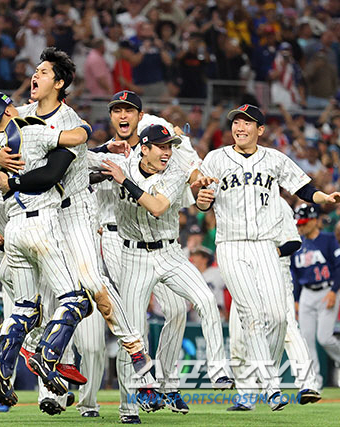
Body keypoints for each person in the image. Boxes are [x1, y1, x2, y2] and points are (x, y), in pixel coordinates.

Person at [196, 104, 340, 411]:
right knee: (250, 314)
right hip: (232, 244)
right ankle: (272, 386)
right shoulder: (216, 158)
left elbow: (303, 187)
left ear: (260, 130)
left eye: (248, 123)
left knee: (277, 317)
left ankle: (263, 376)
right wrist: (202, 200)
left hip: (265, 246)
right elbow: (202, 197)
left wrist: (324, 198)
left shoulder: (273, 158)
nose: (240, 127)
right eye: (236, 121)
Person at [102, 124, 233, 424]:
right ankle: (128, 408)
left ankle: (218, 369)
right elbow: (86, 166)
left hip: (170, 252)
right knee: (133, 336)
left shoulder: (174, 170)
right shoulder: (122, 164)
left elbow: (158, 206)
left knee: (204, 300)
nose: (167, 152)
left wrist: (125, 182)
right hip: (133, 256)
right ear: (143, 148)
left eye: (169, 146)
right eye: (161, 146)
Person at [0, 91, 96, 409]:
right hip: (42, 223)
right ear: (10, 108)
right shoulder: (32, 127)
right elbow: (79, 137)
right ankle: (48, 355)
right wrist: (82, 125)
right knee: (77, 300)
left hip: (13, 230)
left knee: (26, 308)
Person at [90, 90, 191, 416]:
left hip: (160, 244)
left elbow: (184, 184)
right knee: (133, 324)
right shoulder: (110, 153)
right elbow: (76, 168)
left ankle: (167, 384)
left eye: (128, 110)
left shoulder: (159, 153)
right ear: (112, 117)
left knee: (177, 308)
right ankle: (129, 405)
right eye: (117, 110)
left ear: (139, 117)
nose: (122, 115)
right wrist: (102, 153)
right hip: (116, 241)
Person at [228, 198, 321, 411]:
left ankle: (307, 384)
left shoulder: (278, 204)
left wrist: (267, 255)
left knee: (286, 327)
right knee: (238, 336)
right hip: (242, 271)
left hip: (275, 269)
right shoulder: (235, 198)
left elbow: (293, 241)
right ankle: (246, 396)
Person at [291, 204, 340, 391]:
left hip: (327, 290)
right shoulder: (297, 243)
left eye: (303, 223)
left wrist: (334, 290)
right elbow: (294, 275)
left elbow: (338, 267)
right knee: (306, 340)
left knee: (325, 338)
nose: (300, 227)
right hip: (306, 294)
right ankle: (313, 383)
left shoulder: (327, 239)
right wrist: (295, 299)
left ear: (313, 220)